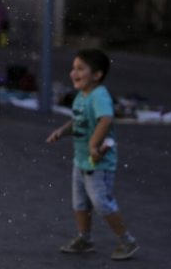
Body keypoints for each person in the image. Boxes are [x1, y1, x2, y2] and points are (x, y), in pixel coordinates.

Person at [46, 49, 138, 261]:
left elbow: (105, 119)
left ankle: (127, 241)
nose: (73, 73)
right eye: (73, 68)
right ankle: (84, 238)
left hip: (99, 162)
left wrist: (94, 145)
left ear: (96, 75)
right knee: (80, 203)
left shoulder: (99, 96)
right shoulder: (82, 95)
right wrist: (62, 131)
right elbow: (78, 120)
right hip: (81, 160)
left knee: (101, 202)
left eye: (80, 69)